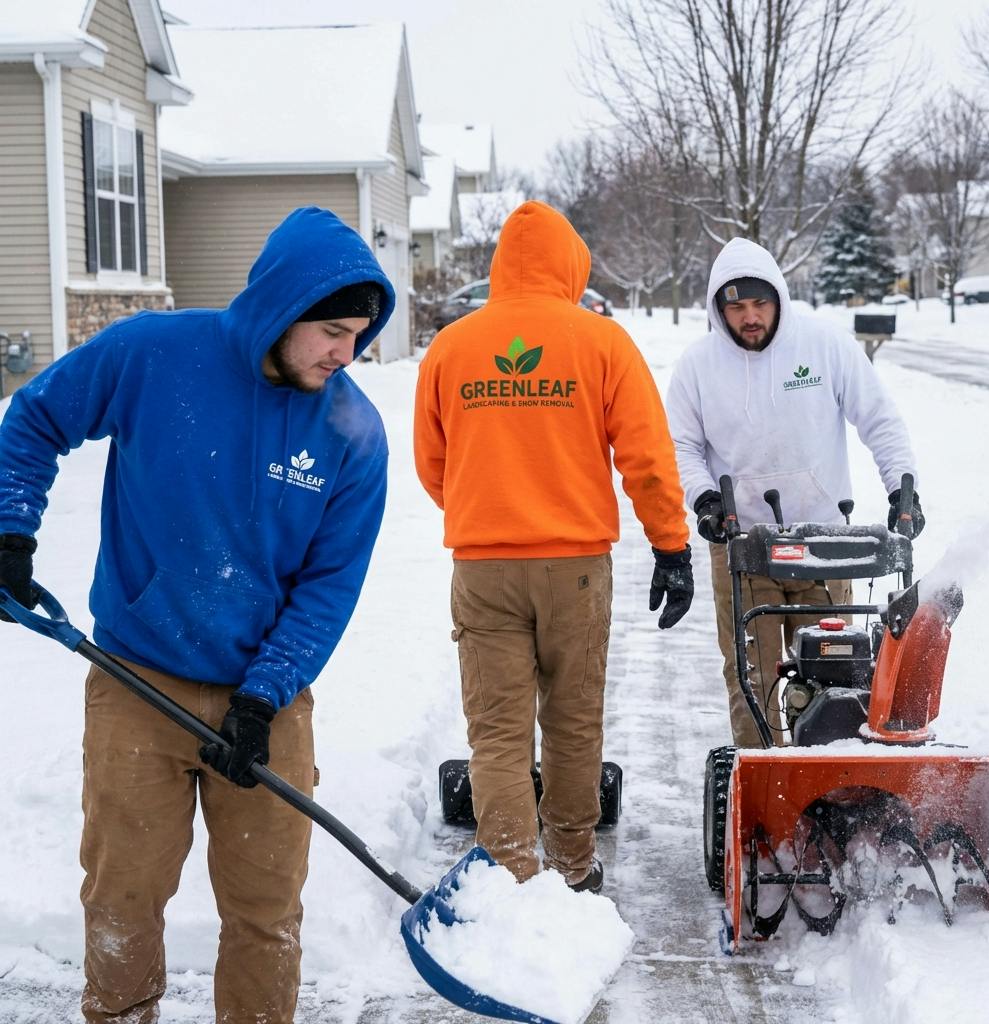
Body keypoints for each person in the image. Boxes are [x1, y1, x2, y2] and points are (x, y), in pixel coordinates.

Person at [0, 206, 394, 1023]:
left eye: (359, 335)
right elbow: (36, 417)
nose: (346, 353)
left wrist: (265, 693)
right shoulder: (154, 353)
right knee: (122, 896)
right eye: (332, 330)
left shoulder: (353, 434)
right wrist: (10, 527)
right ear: (284, 306)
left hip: (267, 698)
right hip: (136, 677)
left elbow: (330, 586)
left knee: (266, 913)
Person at [413, 200, 693, 893]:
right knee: (572, 720)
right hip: (574, 570)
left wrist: (485, 508)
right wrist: (671, 546)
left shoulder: (452, 346)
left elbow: (430, 460)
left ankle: (508, 874)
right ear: (571, 265)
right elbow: (647, 458)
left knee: (499, 731)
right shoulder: (601, 342)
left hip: (483, 567)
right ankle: (571, 866)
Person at [666, 237, 924, 748]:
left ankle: (834, 785)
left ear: (779, 298)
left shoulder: (825, 347)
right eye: (736, 307)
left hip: (825, 545)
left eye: (759, 303)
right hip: (743, 545)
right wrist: (705, 500)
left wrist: (902, 488)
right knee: (753, 681)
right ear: (719, 309)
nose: (750, 317)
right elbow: (680, 445)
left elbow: (879, 419)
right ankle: (760, 791)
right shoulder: (697, 367)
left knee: (833, 676)